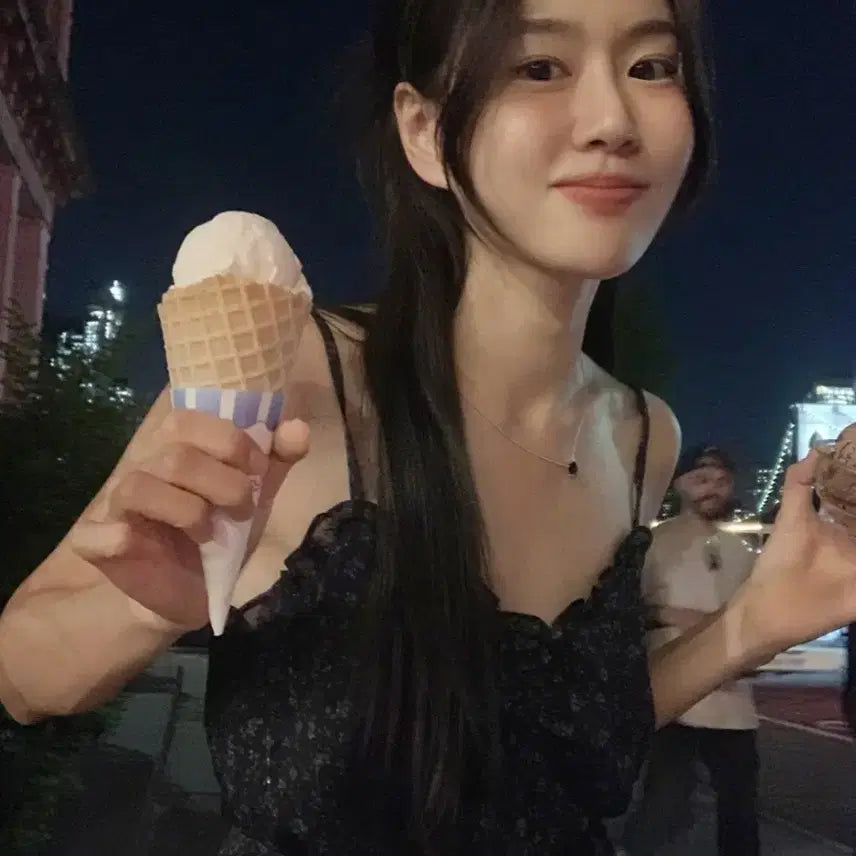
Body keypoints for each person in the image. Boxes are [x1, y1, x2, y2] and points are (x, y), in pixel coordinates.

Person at [2, 1, 856, 853]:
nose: (612, 121)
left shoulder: (643, 435)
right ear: (424, 130)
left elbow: (544, 747)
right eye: (539, 67)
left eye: (651, 67)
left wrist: (759, 619)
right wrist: (144, 610)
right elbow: (20, 674)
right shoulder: (297, 379)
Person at [621, 445, 760, 855]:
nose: (713, 489)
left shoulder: (741, 553)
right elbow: (622, 612)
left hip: (733, 700)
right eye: (701, 480)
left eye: (722, 481)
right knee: (662, 803)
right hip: (673, 697)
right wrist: (669, 614)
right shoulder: (651, 544)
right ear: (679, 485)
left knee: (740, 807)